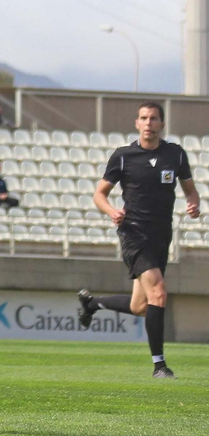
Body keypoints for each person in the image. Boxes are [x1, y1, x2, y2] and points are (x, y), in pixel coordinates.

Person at [77, 102, 200, 379]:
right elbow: (100, 195)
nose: (148, 123)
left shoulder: (175, 155)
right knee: (158, 292)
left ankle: (92, 304)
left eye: (153, 118)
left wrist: (193, 205)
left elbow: (191, 191)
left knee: (141, 306)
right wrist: (112, 211)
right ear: (137, 123)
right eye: (143, 118)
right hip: (133, 233)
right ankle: (160, 366)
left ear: (162, 124)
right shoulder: (123, 156)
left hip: (161, 235)